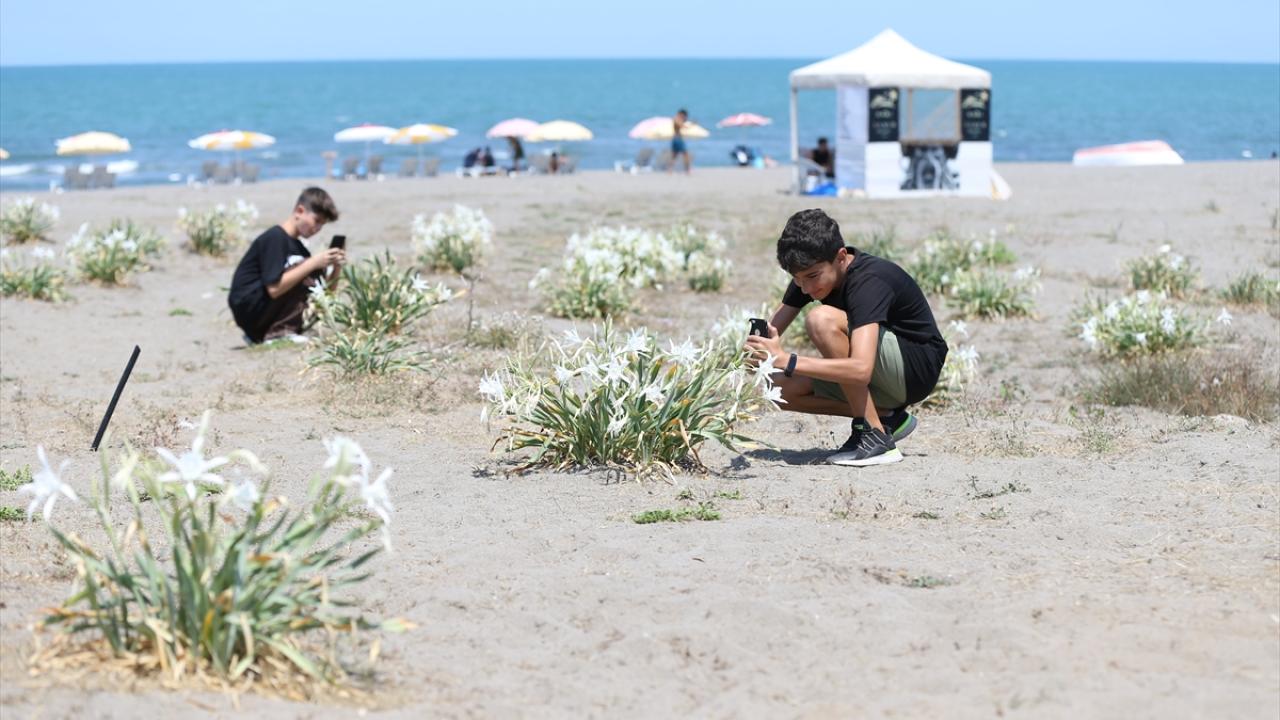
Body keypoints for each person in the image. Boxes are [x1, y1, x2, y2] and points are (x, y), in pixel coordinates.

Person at [745, 209, 947, 467]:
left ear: (841, 257)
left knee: (821, 320)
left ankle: (875, 435)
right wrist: (755, 353)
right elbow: (772, 330)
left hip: (915, 369)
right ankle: (887, 418)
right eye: (796, 279)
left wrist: (786, 359)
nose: (806, 288)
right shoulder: (809, 275)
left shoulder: (868, 279)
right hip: (883, 372)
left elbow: (861, 370)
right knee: (775, 391)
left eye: (811, 277)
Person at [228, 187, 344, 345]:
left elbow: (324, 297)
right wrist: (312, 263)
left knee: (312, 272)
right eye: (316, 221)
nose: (317, 229)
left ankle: (275, 331)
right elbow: (274, 289)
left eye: (322, 225)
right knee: (307, 269)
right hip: (251, 309)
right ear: (299, 211)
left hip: (263, 315)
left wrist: (336, 268)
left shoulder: (299, 249)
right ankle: (278, 332)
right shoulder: (275, 238)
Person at [670, 108, 692, 174]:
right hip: (678, 139)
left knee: (674, 156)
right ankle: (687, 170)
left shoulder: (677, 119)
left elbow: (681, 125)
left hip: (676, 139)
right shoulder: (677, 119)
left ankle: (670, 170)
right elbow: (681, 125)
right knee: (685, 155)